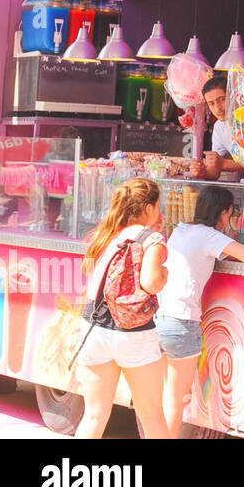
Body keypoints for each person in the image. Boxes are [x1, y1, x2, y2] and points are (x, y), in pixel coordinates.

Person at [156, 186, 244, 437]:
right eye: (230, 213)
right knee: (175, 400)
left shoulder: (182, 230)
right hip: (182, 324)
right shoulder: (208, 236)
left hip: (160, 320)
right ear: (223, 213)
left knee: (163, 398)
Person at [76, 178, 171, 439]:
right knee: (151, 416)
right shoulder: (152, 239)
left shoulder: (106, 234)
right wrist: (164, 273)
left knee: (94, 415)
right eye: (158, 206)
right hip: (134, 333)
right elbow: (151, 282)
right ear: (149, 207)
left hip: (94, 328)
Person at [190, 76, 244, 181]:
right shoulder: (219, 127)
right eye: (211, 104)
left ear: (232, 96)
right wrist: (202, 172)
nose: (218, 108)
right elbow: (214, 172)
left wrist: (224, 163)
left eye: (221, 100)